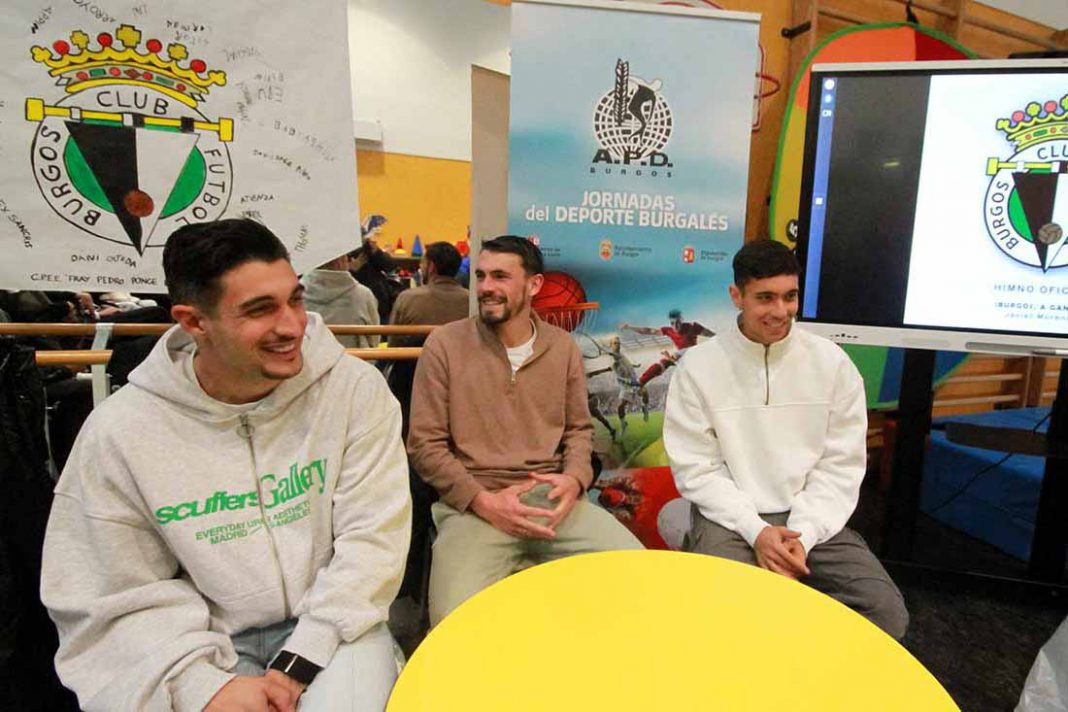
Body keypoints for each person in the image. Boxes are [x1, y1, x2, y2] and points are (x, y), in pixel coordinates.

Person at [41, 218, 411, 711]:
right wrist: (200, 685)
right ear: (194, 322)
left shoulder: (353, 391)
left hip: (335, 625)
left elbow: (373, 538)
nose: (292, 326)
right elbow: (105, 590)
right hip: (195, 642)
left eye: (295, 299)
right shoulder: (121, 432)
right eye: (260, 309)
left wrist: (302, 658)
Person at [662, 239, 908, 640]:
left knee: (885, 613)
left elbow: (841, 466)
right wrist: (756, 531)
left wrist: (803, 538)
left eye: (789, 296)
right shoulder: (698, 367)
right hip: (732, 518)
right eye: (765, 298)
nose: (780, 311)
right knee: (721, 617)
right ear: (737, 296)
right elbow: (698, 469)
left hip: (811, 519)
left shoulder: (833, 363)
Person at [407, 235, 642, 626]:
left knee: (642, 577)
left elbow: (579, 431)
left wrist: (574, 480)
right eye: (481, 276)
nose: (486, 287)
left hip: (552, 502)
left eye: (500, 276)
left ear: (534, 285)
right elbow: (424, 445)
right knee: (452, 623)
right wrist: (482, 501)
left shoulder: (562, 347)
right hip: (475, 507)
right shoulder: (444, 345)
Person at [387, 241, 469, 349]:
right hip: (459, 358)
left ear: (431, 267)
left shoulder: (407, 298)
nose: (420, 266)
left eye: (422, 262)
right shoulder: (471, 300)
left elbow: (393, 342)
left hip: (414, 359)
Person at [301, 252, 381, 349]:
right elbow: (374, 339)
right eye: (346, 257)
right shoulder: (363, 295)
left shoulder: (295, 293)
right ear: (339, 261)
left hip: (307, 356)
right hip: (355, 356)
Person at [620, 309, 713, 386]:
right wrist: (630, 327)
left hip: (693, 353)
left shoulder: (692, 327)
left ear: (681, 321)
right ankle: (640, 382)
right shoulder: (669, 331)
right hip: (681, 357)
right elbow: (648, 331)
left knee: (678, 353)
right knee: (663, 362)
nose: (675, 326)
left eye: (677, 323)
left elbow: (711, 335)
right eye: (672, 323)